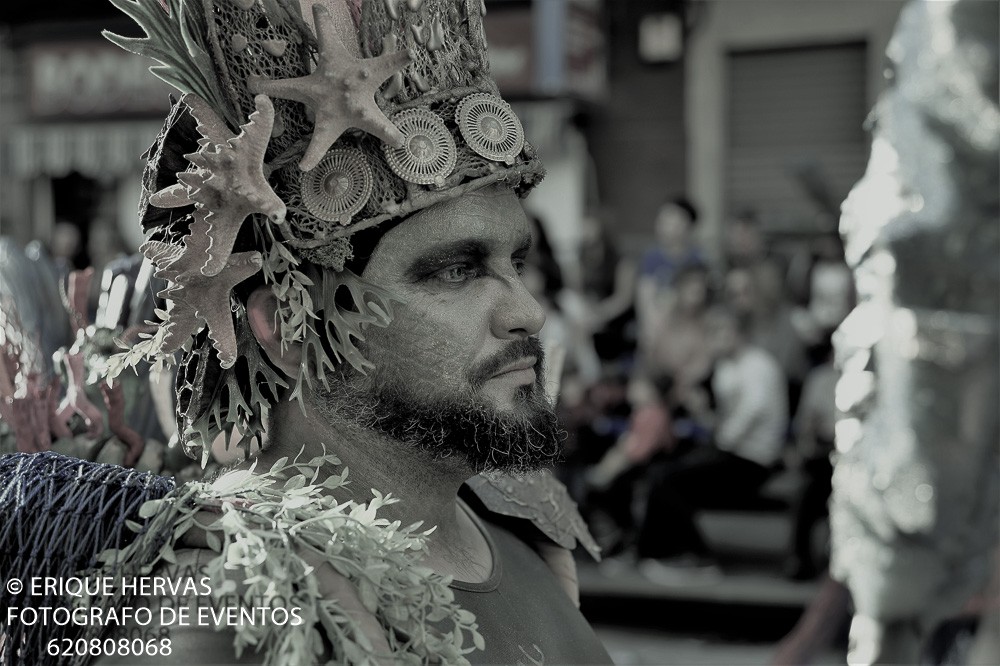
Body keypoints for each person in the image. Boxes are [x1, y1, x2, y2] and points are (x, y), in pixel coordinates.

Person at [0, 1, 612, 664]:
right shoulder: (236, 605)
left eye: (516, 262)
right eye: (458, 270)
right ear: (286, 328)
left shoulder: (521, 531)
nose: (528, 311)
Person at [634, 305, 788, 570]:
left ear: (739, 332)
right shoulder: (726, 368)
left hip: (753, 459)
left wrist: (720, 438)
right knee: (661, 475)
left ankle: (695, 553)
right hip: (729, 452)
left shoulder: (759, 365)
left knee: (669, 482)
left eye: (721, 331)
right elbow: (721, 422)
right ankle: (653, 552)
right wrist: (702, 412)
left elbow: (753, 410)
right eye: (712, 333)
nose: (716, 339)